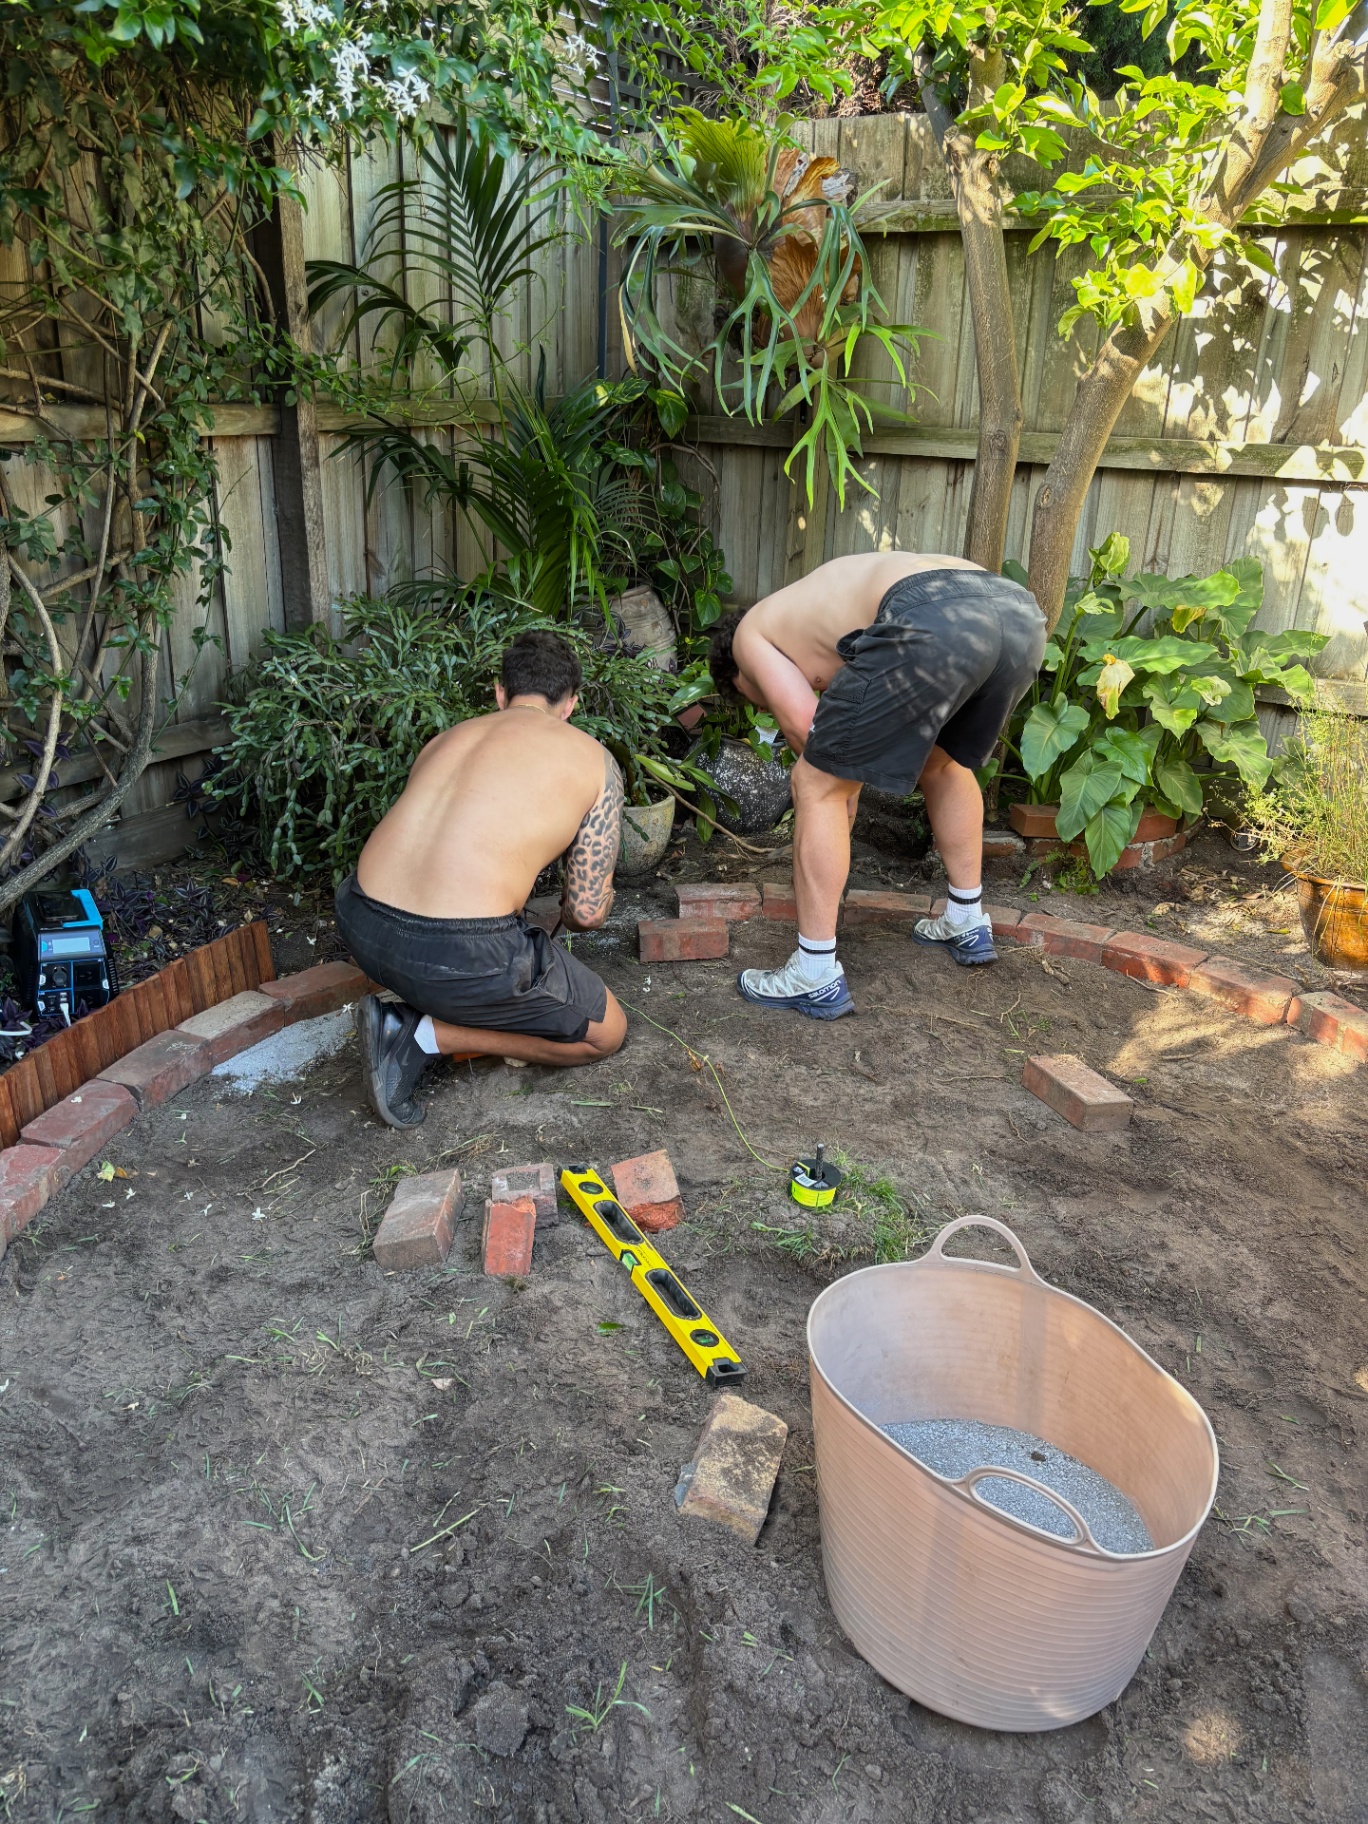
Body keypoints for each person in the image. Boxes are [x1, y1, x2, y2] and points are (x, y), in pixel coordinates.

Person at [708, 551, 1046, 1018]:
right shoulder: (811, 610)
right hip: (1015, 614)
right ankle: (966, 920)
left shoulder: (751, 636)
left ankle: (813, 973)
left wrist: (835, 796)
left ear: (737, 676)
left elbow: (812, 736)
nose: (765, 705)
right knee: (943, 764)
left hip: (930, 612)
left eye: (753, 699)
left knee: (815, 782)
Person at [335, 629, 627, 1127]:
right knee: (607, 1033)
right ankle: (419, 1036)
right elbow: (585, 913)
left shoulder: (446, 739)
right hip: (456, 955)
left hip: (361, 922)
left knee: (470, 952)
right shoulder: (595, 761)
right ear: (571, 704)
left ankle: (427, 1002)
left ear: (500, 693)